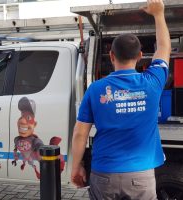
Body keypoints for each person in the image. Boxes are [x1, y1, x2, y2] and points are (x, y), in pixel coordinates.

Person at [71, 0, 171, 199]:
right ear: (141, 55)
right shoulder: (152, 82)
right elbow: (164, 48)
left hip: (104, 175)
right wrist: (159, 15)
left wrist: (76, 167)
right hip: (141, 178)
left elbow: (80, 134)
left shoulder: (95, 89)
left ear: (111, 55)